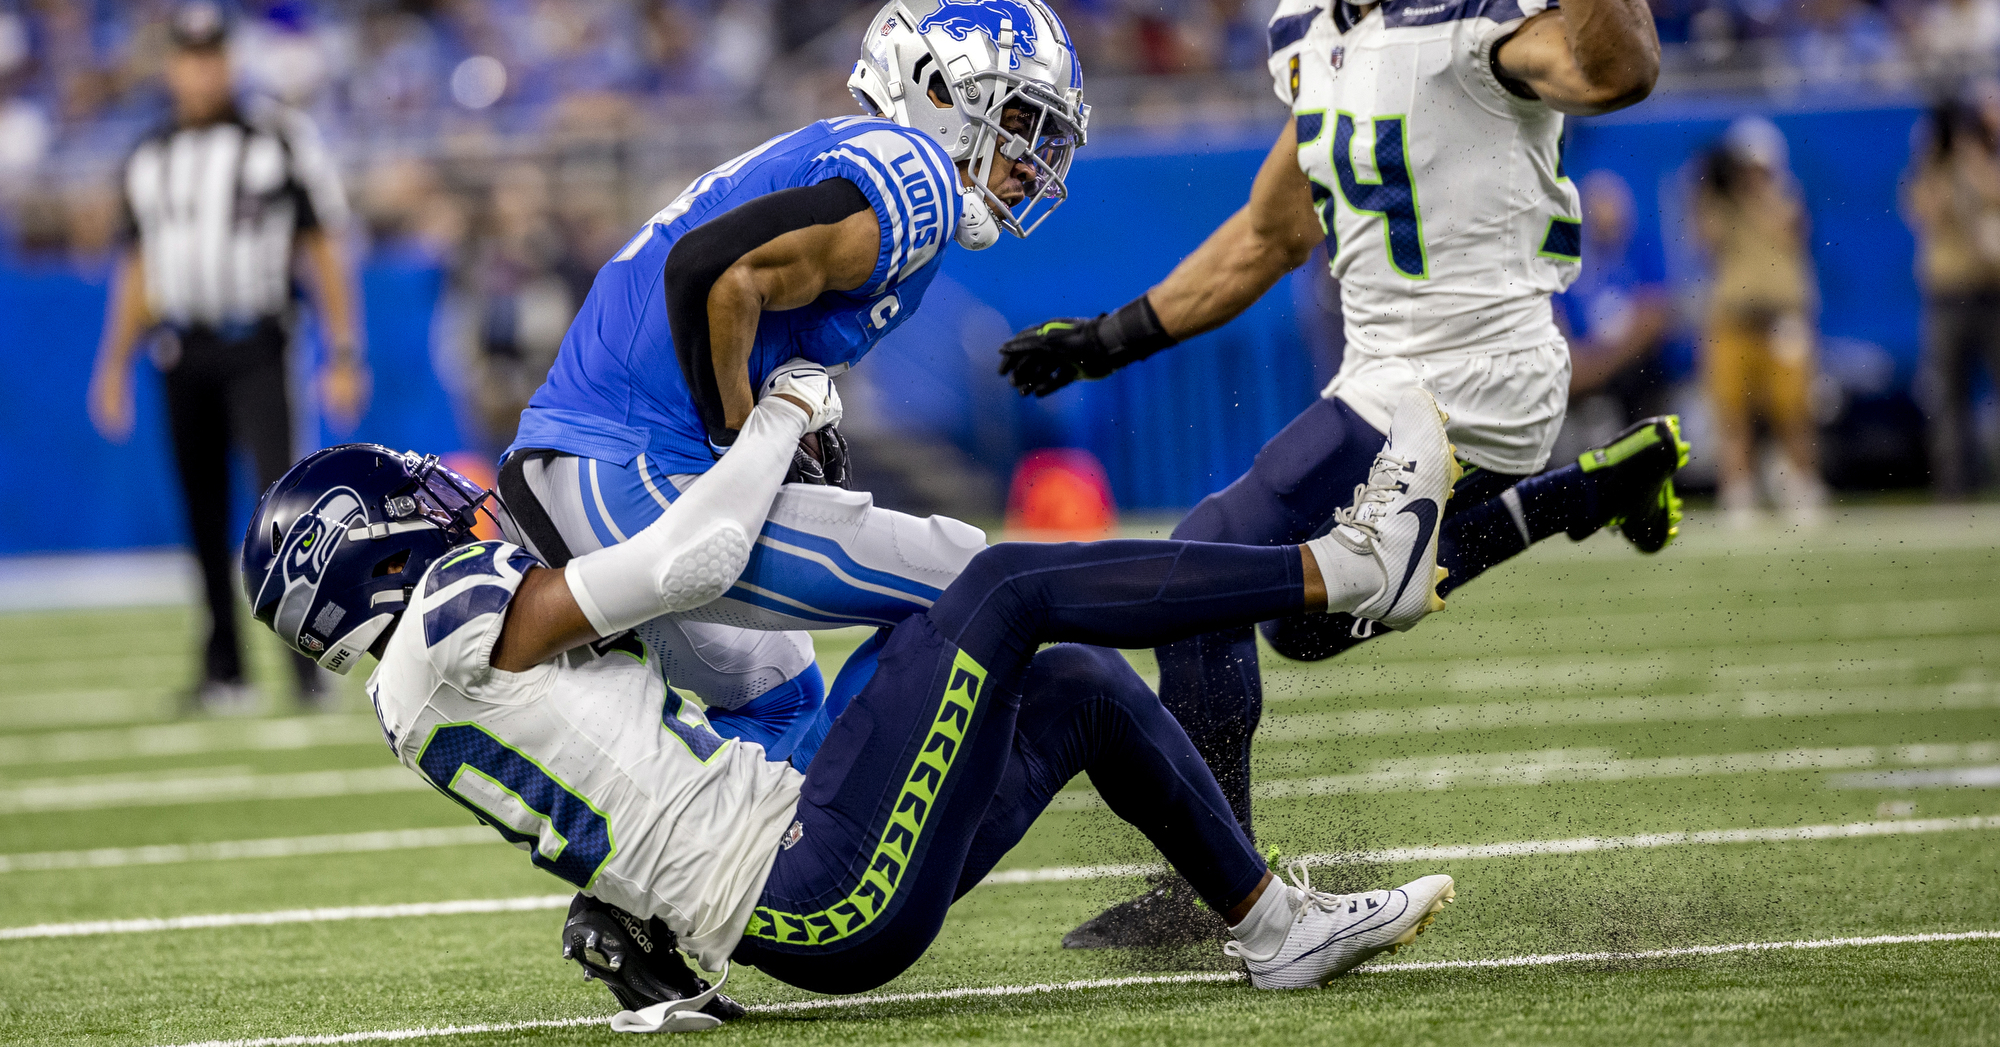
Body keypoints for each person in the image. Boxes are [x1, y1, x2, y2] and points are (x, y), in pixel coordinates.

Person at [993, 0, 1682, 947]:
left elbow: (1616, 68)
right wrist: (1107, 340)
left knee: (1207, 555)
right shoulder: (1311, 24)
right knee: (1298, 621)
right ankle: (1580, 496)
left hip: (1473, 369)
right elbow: (1268, 232)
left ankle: (1215, 890)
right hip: (1384, 379)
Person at [242, 377, 1462, 1019]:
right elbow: (687, 564)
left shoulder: (418, 692)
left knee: (1077, 684)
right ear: (371, 555)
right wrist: (771, 422)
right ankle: (1337, 570)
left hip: (802, 878)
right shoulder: (451, 620)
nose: (446, 504)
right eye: (414, 503)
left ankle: (1271, 927)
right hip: (814, 884)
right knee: (999, 588)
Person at [492, 0, 1085, 767]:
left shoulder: (844, 157)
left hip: (581, 467)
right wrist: (746, 439)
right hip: (634, 475)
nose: (1029, 160)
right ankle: (848, 848)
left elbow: (723, 285)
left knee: (784, 707)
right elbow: (712, 272)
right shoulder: (915, 176)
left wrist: (783, 415)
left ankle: (652, 890)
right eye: (1018, 121)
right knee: (983, 581)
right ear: (938, 89)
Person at [89, 0, 366, 712]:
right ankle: (225, 671)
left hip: (256, 345)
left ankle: (303, 669)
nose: (201, 71)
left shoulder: (278, 138)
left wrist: (342, 349)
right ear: (172, 65)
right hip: (182, 349)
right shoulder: (150, 155)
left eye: (212, 56)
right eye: (189, 57)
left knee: (282, 511)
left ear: (230, 61)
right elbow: (138, 267)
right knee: (202, 513)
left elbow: (321, 246)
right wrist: (114, 364)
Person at [1694, 117, 1827, 527]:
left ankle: (1801, 484)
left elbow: (1787, 230)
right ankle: (1738, 490)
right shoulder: (1718, 202)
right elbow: (1706, 240)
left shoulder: (1784, 195)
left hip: (1781, 317)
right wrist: (1710, 187)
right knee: (1732, 411)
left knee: (1793, 410)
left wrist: (1751, 194)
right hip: (1734, 317)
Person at [1902, 99, 2000, 500]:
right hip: (1947, 296)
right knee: (1949, 397)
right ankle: (1955, 488)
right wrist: (1938, 160)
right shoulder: (1928, 171)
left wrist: (1972, 156)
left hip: (1990, 290)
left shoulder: (1983, 165)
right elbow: (1926, 212)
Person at [1553, 170, 1674, 457]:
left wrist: (1599, 367)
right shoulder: (1570, 261)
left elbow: (1655, 315)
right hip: (1583, 362)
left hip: (1628, 365)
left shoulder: (1641, 251)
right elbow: (1556, 317)